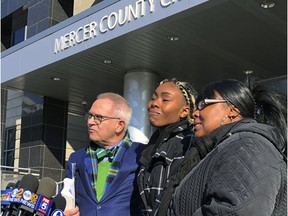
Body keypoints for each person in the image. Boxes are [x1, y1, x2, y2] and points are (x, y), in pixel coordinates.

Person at [167, 79, 287, 216]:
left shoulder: (247, 144)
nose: (194, 113)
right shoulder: (224, 149)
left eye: (203, 104)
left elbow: (239, 211)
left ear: (232, 110)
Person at [64, 92, 145, 216]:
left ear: (119, 125)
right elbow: (66, 196)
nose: (90, 122)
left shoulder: (141, 154)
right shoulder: (76, 158)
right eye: (90, 115)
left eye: (99, 117)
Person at [137, 78, 198, 215]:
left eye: (165, 100)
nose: (154, 104)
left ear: (184, 111)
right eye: (153, 98)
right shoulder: (152, 146)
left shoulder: (189, 144)